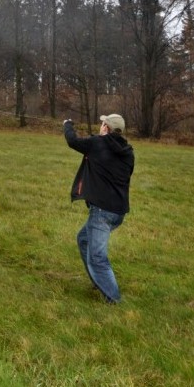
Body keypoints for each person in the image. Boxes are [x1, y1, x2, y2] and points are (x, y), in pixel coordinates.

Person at [63, 114, 135, 304]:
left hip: (103, 212)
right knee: (83, 239)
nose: (100, 126)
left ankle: (113, 299)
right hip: (118, 212)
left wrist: (68, 124)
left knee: (97, 257)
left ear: (106, 128)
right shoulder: (128, 151)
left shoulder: (97, 144)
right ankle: (99, 281)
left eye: (103, 124)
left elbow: (72, 141)